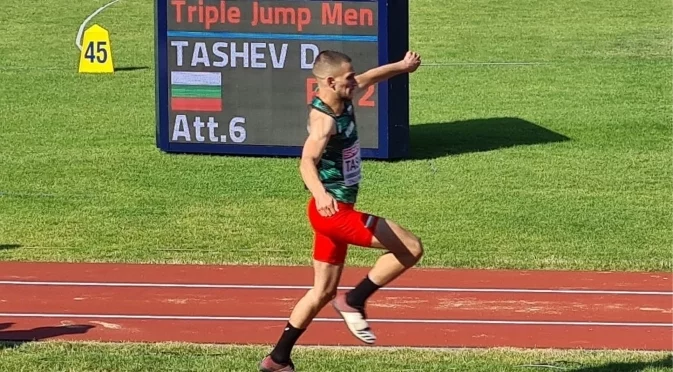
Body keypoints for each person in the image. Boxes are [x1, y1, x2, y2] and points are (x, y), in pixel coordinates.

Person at [259, 50, 424, 372]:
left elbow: (371, 77)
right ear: (331, 82)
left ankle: (277, 358)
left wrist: (402, 67)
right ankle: (355, 299)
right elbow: (306, 161)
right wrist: (321, 194)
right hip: (332, 214)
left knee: (321, 291)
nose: (355, 80)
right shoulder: (324, 120)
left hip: (335, 211)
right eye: (349, 77)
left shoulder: (343, 96)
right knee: (411, 247)